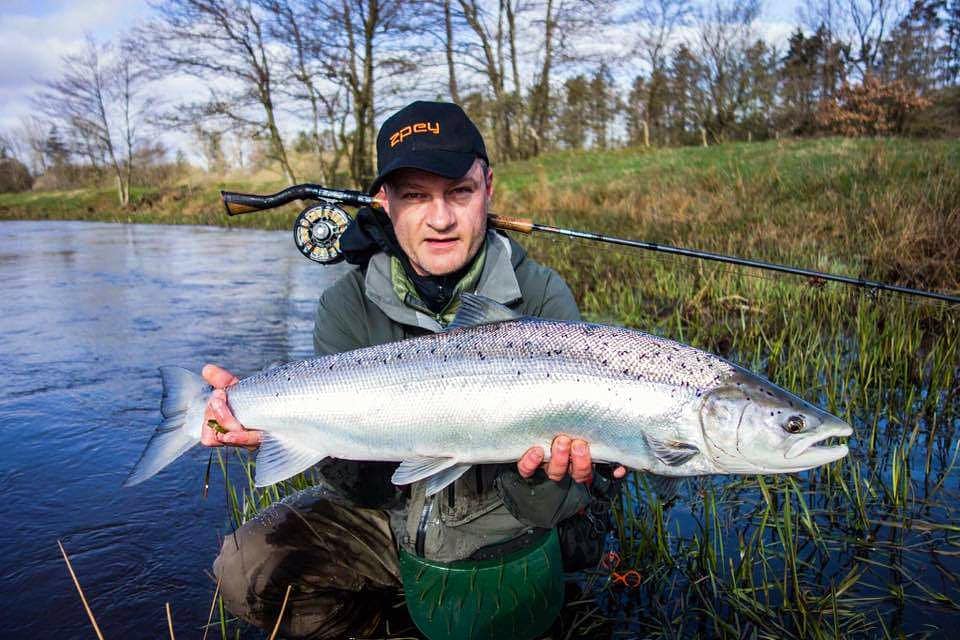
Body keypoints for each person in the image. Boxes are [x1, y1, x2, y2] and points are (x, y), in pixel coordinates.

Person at [202, 101, 625, 639]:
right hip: (396, 516)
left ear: (488, 189)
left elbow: (552, 505)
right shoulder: (346, 305)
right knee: (246, 569)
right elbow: (360, 487)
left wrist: (546, 476)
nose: (441, 218)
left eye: (460, 193)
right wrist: (277, 426)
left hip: (508, 522)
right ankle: (390, 623)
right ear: (385, 201)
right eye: (416, 196)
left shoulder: (540, 295)